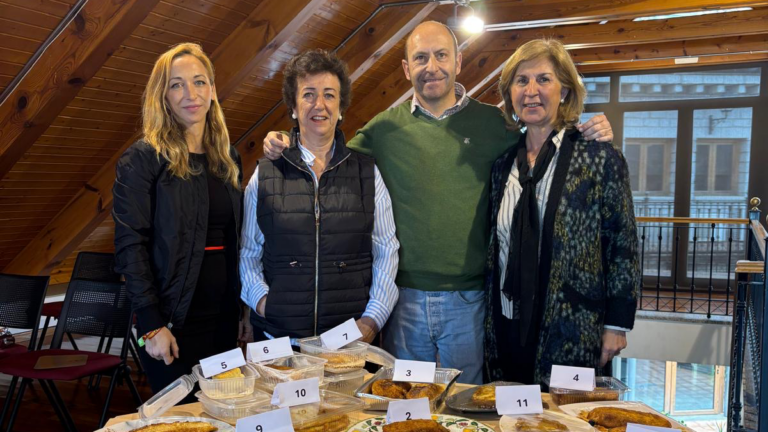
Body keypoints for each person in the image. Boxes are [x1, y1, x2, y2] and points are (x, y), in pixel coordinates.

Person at [263, 22, 613, 384]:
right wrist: (284, 141)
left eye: (441, 55)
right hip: (403, 302)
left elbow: (544, 138)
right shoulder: (384, 129)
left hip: (471, 301)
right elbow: (328, 155)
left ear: (458, 61)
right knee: (406, 398)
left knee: (465, 401)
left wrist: (585, 132)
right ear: (406, 68)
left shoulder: (495, 125)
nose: (431, 67)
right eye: (420, 58)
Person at [483, 39, 640, 386]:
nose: (531, 91)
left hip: (573, 327)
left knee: (565, 413)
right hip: (507, 324)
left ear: (565, 89)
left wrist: (617, 324)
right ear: (510, 93)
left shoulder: (599, 157)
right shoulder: (502, 166)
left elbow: (623, 245)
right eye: (521, 81)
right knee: (509, 410)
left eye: (544, 79)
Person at [113, 43, 250, 394]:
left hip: (223, 319)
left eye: (199, 82)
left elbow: (239, 241)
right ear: (163, 96)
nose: (191, 93)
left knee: (226, 411)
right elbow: (130, 246)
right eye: (177, 85)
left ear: (212, 90)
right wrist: (151, 324)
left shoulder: (228, 158)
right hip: (171, 323)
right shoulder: (143, 159)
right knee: (182, 416)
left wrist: (243, 312)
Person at [239, 49, 400, 342]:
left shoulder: (367, 172)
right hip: (280, 340)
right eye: (308, 94)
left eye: (329, 95)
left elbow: (386, 251)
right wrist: (263, 303)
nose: (319, 105)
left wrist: (372, 320)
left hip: (349, 342)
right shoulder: (266, 173)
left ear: (340, 107)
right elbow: (249, 253)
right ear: (293, 106)